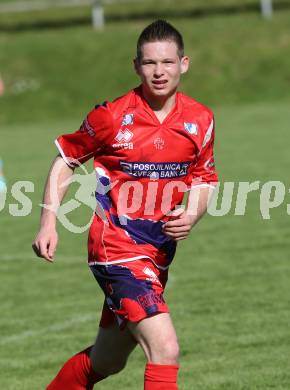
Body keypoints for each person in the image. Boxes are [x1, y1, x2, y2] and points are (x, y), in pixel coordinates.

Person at [32, 19, 218, 390]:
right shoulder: (112, 115)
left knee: (107, 361)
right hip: (115, 249)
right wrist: (48, 222)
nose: (159, 71)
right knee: (165, 348)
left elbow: (206, 178)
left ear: (184, 63)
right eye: (149, 63)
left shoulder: (201, 119)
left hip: (156, 254)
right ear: (136, 66)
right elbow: (66, 160)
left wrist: (193, 214)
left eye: (167, 62)